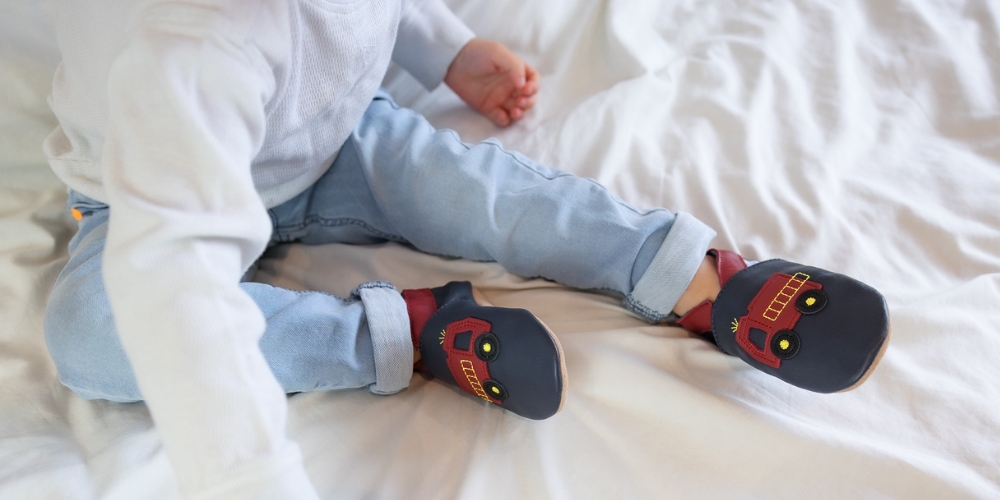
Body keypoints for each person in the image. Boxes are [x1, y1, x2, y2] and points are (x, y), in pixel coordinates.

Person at [41, 0, 890, 498]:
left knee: (473, 189)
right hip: (139, 195)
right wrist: (251, 477)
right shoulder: (194, 46)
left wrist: (446, 50)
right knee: (94, 333)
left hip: (336, 141)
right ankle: (403, 333)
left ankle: (686, 275)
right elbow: (173, 282)